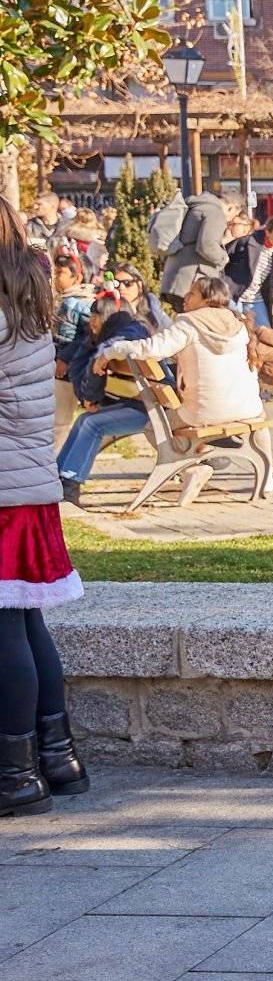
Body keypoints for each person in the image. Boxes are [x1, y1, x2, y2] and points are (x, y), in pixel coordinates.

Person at [0, 199, 85, 818]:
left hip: (5, 489)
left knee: (7, 631)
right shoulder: (26, 288)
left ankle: (16, 777)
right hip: (27, 482)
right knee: (27, 624)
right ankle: (58, 759)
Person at [94, 272, 273, 495]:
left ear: (207, 299)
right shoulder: (238, 323)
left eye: (192, 293)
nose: (186, 296)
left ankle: (192, 468)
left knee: (152, 427)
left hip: (202, 413)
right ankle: (268, 481)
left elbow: (149, 349)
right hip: (247, 409)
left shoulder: (188, 324)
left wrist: (111, 351)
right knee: (260, 419)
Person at [55, 279, 154, 504]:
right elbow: (86, 375)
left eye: (96, 315)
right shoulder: (105, 338)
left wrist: (90, 396)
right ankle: (59, 479)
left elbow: (90, 376)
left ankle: (69, 488)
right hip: (139, 403)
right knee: (85, 421)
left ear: (108, 315)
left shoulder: (125, 335)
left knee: (92, 423)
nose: (92, 321)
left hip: (151, 408)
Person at [156, 189, 228, 304]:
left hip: (174, 279)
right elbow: (206, 245)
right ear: (231, 207)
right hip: (192, 283)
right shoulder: (215, 211)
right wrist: (223, 259)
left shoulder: (192, 208)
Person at [225, 215, 273, 329]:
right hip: (234, 296)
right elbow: (223, 259)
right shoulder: (246, 243)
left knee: (265, 333)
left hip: (256, 300)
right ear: (267, 232)